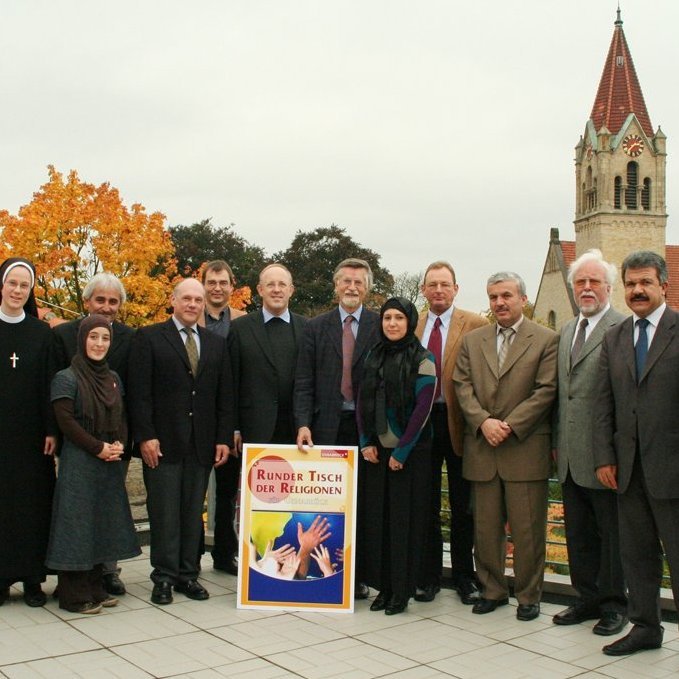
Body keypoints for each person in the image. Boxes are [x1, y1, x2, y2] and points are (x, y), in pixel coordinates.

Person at [454, 272, 557, 621]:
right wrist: (483, 422)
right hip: (482, 447)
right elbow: (462, 386)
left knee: (527, 531)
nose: (499, 302)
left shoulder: (546, 340)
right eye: (494, 296)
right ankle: (493, 590)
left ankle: (529, 596)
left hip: (524, 449)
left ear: (522, 299)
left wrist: (510, 426)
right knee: (485, 528)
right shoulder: (473, 340)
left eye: (507, 296)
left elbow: (545, 390)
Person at [127, 278, 234, 605]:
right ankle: (163, 577)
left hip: (201, 443)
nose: (192, 304)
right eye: (186, 298)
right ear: (172, 301)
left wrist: (222, 439)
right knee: (164, 513)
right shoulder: (148, 338)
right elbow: (139, 394)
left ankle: (189, 574)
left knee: (192, 513)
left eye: (198, 300)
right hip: (162, 442)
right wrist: (145, 436)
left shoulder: (216, 344)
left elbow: (223, 396)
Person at [594, 250, 679, 656]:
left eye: (646, 282)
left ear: (664, 284)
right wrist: (604, 457)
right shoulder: (615, 337)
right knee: (638, 555)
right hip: (628, 470)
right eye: (631, 284)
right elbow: (602, 403)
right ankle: (645, 627)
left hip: (673, 468)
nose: (638, 290)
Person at [294, 258, 380, 599]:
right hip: (325, 428)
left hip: (365, 430)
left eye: (359, 282)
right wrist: (302, 423)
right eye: (346, 281)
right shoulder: (315, 328)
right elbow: (303, 381)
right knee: (330, 505)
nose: (352, 287)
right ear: (336, 286)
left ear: (367, 287)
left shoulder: (379, 325)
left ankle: (358, 575)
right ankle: (327, 576)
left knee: (363, 504)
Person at [212, 263, 306, 575]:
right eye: (271, 284)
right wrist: (234, 426)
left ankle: (285, 561)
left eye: (283, 284)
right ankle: (231, 558)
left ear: (292, 290)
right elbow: (231, 382)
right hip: (251, 431)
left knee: (289, 501)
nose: (277, 289)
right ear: (260, 291)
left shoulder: (308, 329)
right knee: (237, 497)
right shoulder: (240, 330)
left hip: (295, 430)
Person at [552, 250, 627, 636]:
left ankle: (615, 605)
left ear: (609, 288)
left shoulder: (622, 328)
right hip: (567, 454)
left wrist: (610, 454)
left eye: (594, 282)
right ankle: (586, 599)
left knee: (611, 536)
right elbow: (562, 395)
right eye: (580, 282)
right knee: (578, 534)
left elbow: (622, 400)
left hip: (603, 458)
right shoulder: (567, 330)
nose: (586, 288)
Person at [47, 314, 140, 614]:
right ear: (82, 339)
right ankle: (73, 594)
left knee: (102, 523)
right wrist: (97, 447)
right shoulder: (66, 377)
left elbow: (123, 416)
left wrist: (120, 446)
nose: (99, 343)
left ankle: (95, 587)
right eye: (93, 337)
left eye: (105, 338)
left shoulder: (113, 378)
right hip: (80, 459)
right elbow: (66, 421)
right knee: (77, 525)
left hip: (109, 460)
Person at [414, 261, 488, 604]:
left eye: (445, 284)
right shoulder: (410, 323)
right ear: (424, 289)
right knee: (424, 502)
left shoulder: (475, 324)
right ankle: (427, 576)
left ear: (456, 289)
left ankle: (464, 577)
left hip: (460, 424)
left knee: (463, 505)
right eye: (432, 285)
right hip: (422, 425)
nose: (439, 290)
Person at [358, 297, 436, 615]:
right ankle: (384, 588)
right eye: (387, 317)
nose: (392, 323)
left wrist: (402, 451)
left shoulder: (423, 358)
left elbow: (423, 410)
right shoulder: (373, 355)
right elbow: (363, 403)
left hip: (410, 454)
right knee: (380, 523)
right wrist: (366, 442)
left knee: (404, 524)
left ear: (410, 322)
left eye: (399, 318)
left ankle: (402, 591)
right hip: (377, 454)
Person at [0, 257, 56, 608]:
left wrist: (52, 429)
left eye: (25, 285)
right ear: (2, 286)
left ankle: (33, 578)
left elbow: (49, 385)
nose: (18, 290)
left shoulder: (40, 333)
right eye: (13, 284)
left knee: (33, 505)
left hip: (33, 438)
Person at [199, 259, 246, 338]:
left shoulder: (244, 320)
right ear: (203, 286)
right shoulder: (190, 319)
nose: (217, 288)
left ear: (231, 287)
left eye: (223, 283)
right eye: (212, 283)